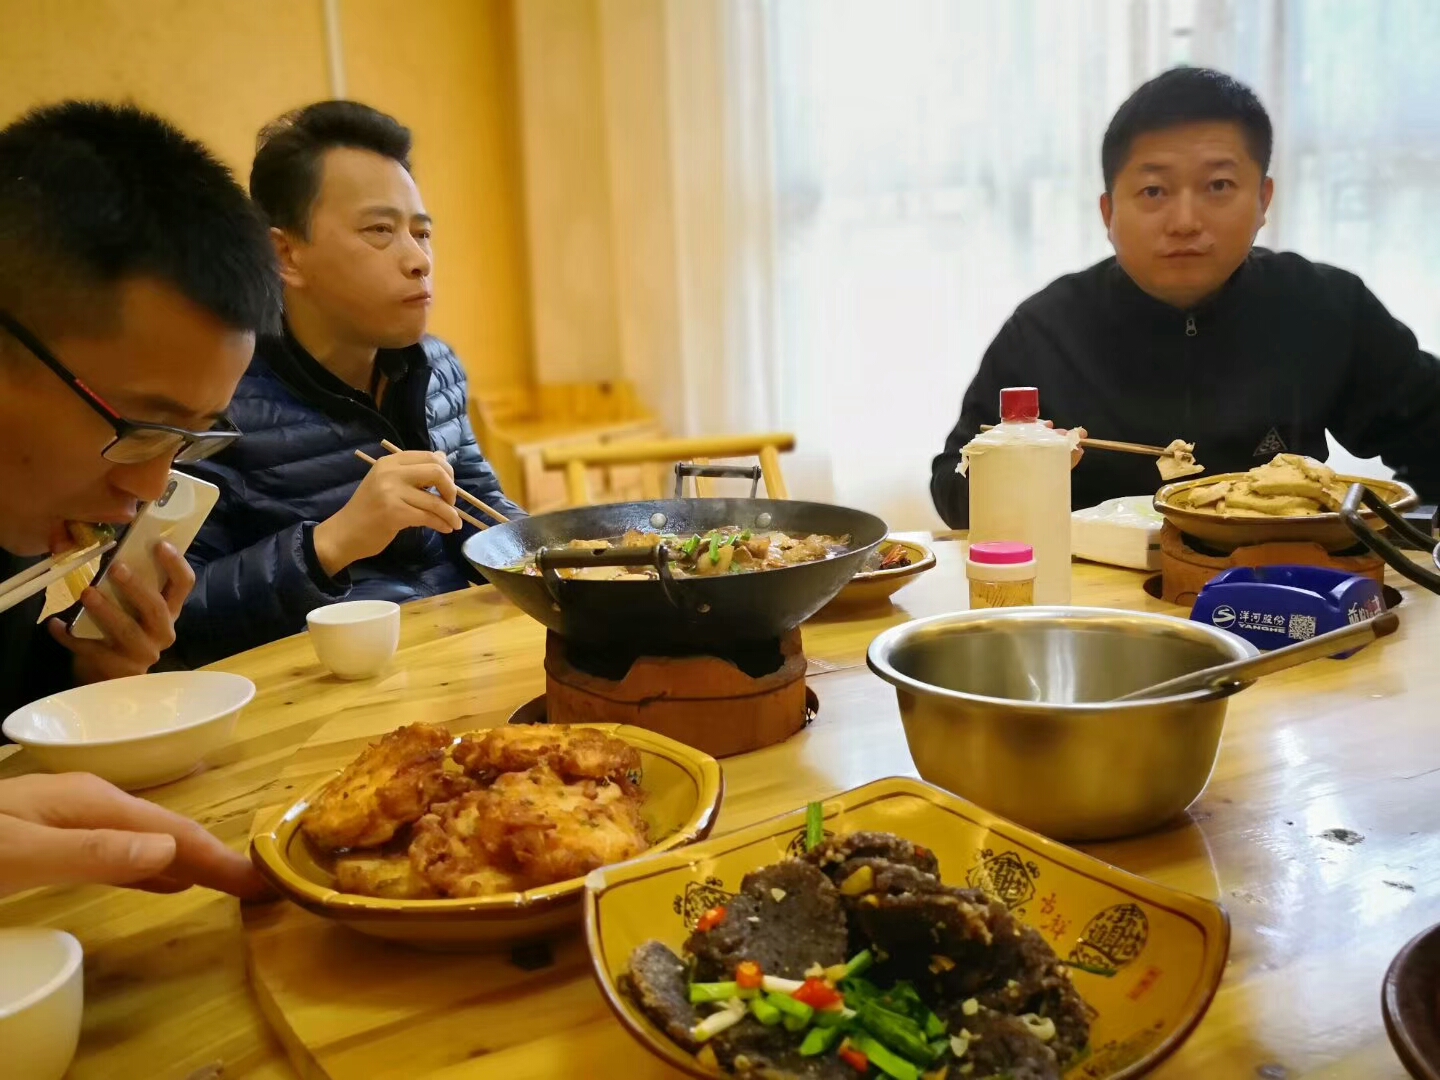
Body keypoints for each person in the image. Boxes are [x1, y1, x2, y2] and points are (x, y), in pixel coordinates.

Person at [931, 66, 1440, 528]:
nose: (1185, 222)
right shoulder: (1043, 331)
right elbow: (953, 494)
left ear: (1263, 200)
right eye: (1154, 192)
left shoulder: (1325, 306)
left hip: (1289, 591)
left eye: (1218, 185)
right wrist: (1017, 468)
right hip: (1100, 608)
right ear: (1108, 213)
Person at [0, 100, 276, 898]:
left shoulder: (25, 518)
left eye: (190, 436)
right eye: (138, 424)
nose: (151, 485)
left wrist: (80, 678)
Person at [175, 101, 524, 666]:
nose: (418, 260)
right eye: (380, 231)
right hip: (312, 708)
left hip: (452, 665)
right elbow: (172, 618)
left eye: (422, 233)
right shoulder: (215, 395)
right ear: (285, 254)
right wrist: (330, 543)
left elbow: (482, 509)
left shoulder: (433, 366)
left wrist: (560, 553)